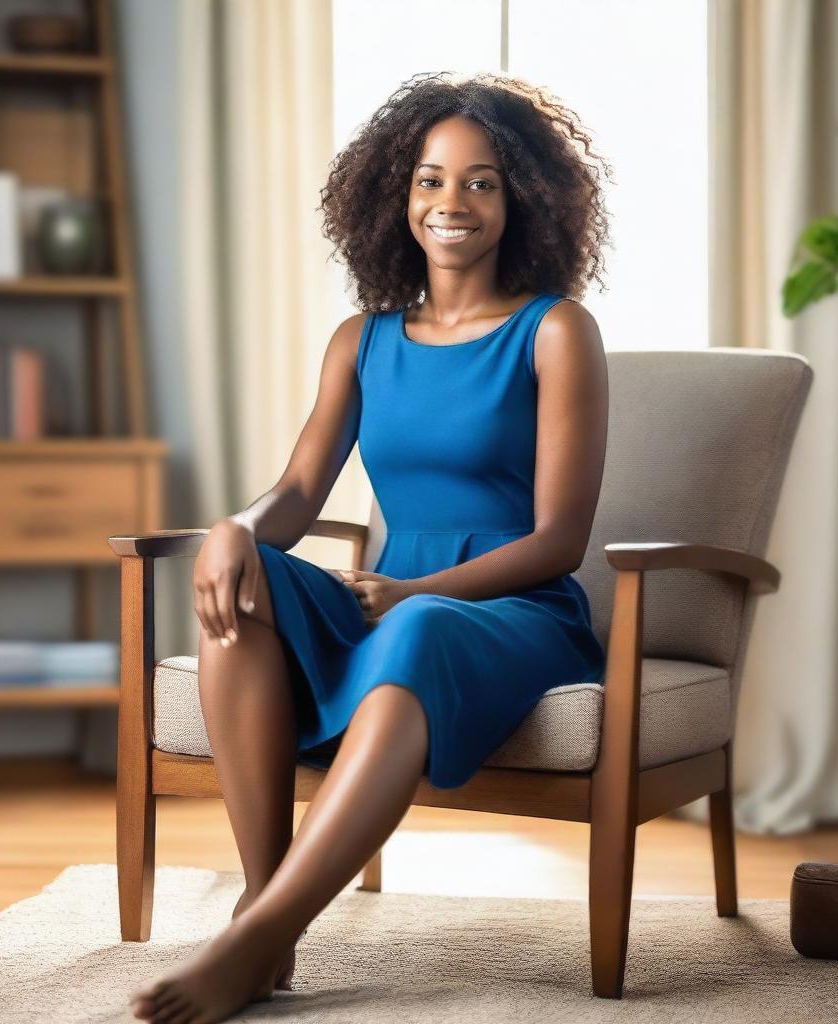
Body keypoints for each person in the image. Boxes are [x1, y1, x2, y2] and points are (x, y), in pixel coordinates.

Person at [131, 70, 612, 1024]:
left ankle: (253, 939)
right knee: (243, 576)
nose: (452, 203)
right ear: (397, 194)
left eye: (482, 181)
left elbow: (561, 539)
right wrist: (235, 527)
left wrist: (413, 591)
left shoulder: (557, 333)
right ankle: (266, 912)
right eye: (430, 179)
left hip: (511, 609)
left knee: (425, 623)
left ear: (523, 199)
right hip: (390, 599)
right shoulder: (362, 339)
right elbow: (300, 492)